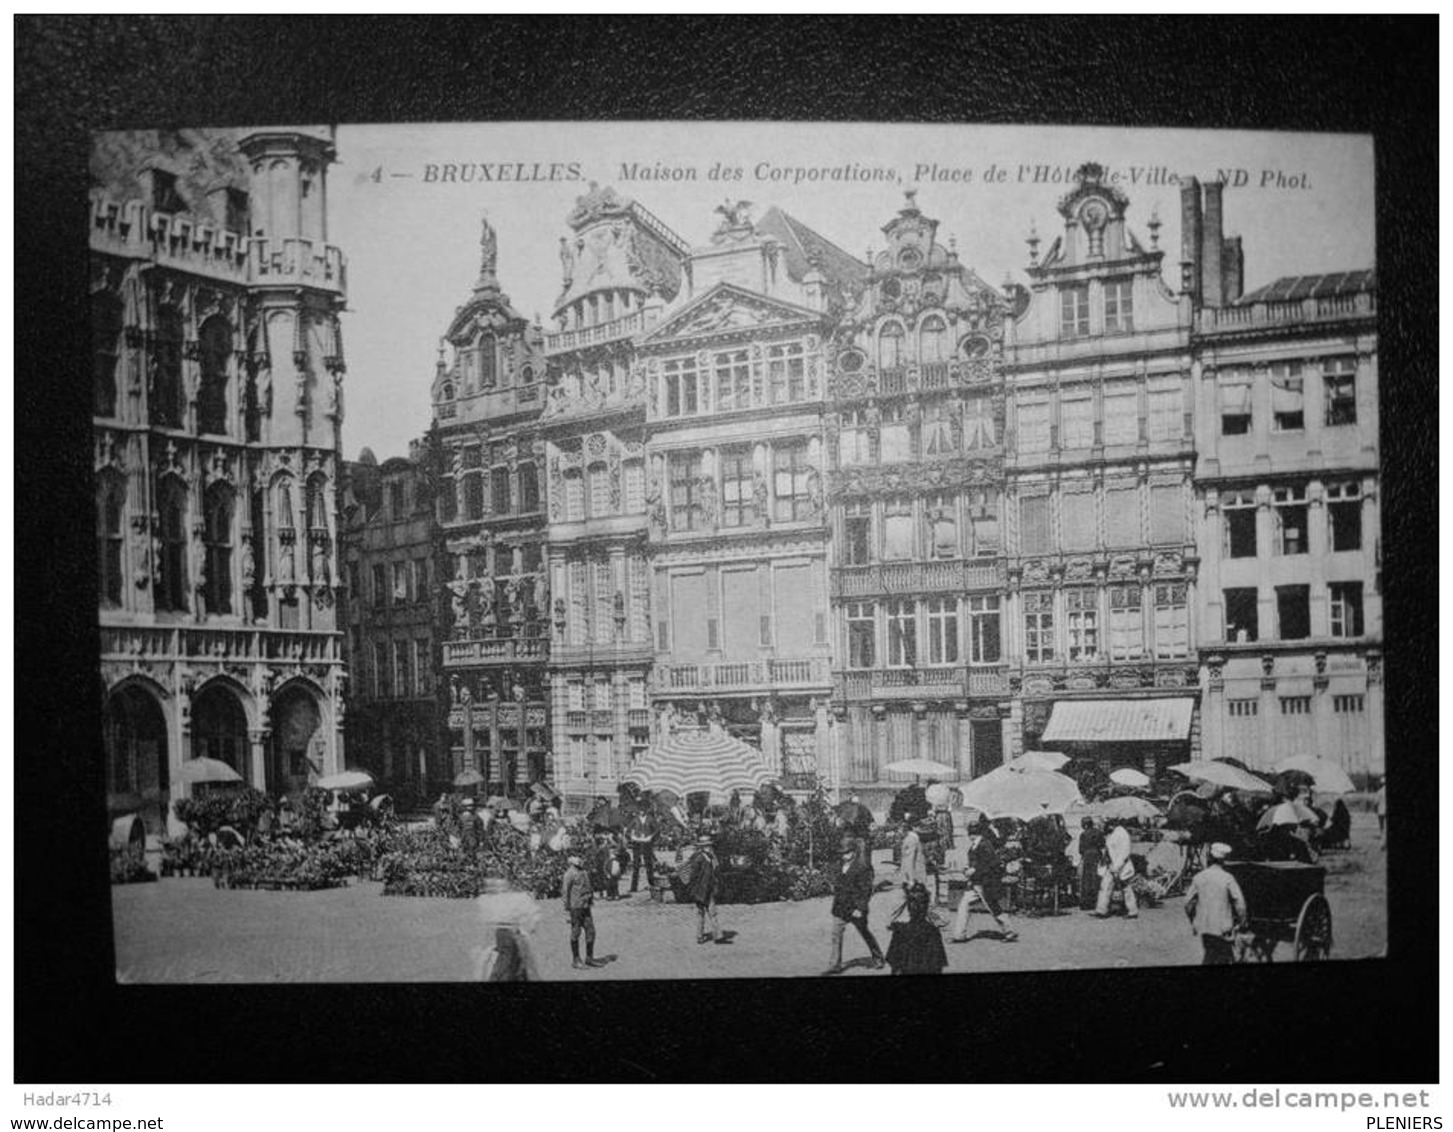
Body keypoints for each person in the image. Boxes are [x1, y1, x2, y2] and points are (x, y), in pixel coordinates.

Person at [950, 817, 1018, 943]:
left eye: (974, 834)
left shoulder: (984, 844)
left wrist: (974, 870)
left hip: (986, 883)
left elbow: (992, 864)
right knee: (967, 905)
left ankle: (1009, 931)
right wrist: (969, 868)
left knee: (993, 907)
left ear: (979, 833)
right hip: (977, 883)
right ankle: (959, 935)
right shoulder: (977, 845)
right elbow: (979, 863)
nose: (972, 836)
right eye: (971, 833)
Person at [825, 838, 884, 974]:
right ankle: (835, 964)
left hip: (855, 908)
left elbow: (866, 890)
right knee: (836, 934)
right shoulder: (839, 865)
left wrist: (860, 908)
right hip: (841, 906)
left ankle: (878, 957)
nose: (843, 856)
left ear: (854, 852)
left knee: (864, 932)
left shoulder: (862, 867)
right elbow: (837, 880)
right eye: (841, 853)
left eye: (846, 853)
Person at [1184, 842, 1247, 965]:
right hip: (1223, 928)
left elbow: (1187, 902)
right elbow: (1240, 903)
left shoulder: (1199, 877)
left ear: (1209, 858)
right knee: (1222, 957)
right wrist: (1241, 922)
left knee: (1210, 954)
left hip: (1205, 927)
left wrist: (1193, 919)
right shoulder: (1228, 878)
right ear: (1224, 861)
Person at [475, 875, 543, 981]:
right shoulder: (490, 899)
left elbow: (533, 915)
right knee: (509, 959)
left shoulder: (515, 898)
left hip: (507, 932)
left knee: (515, 959)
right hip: (503, 933)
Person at [885, 881, 949, 975]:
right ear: (927, 907)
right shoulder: (933, 932)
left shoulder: (900, 932)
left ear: (908, 908)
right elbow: (938, 964)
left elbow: (894, 963)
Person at [676, 834, 725, 944]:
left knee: (712, 913)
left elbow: (715, 871)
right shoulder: (698, 858)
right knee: (701, 913)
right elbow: (693, 875)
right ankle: (700, 935)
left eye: (709, 846)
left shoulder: (711, 857)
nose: (708, 848)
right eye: (706, 846)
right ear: (701, 847)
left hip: (709, 889)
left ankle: (716, 935)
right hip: (700, 889)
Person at [561, 850, 603, 970]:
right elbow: (565, 893)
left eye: (581, 856)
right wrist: (567, 911)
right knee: (576, 932)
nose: (580, 859)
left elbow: (588, 887)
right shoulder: (569, 874)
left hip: (585, 906)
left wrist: (590, 900)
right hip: (576, 908)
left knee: (591, 931)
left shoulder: (583, 871)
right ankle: (576, 959)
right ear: (571, 859)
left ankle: (589, 958)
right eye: (577, 857)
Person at [1095, 820, 1138, 919]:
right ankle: (1101, 910)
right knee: (1105, 886)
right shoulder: (1112, 834)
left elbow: (1125, 852)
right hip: (1111, 864)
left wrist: (1118, 866)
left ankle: (1133, 911)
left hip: (1121, 865)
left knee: (1125, 887)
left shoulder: (1122, 834)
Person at [627, 806, 659, 894]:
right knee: (636, 865)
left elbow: (657, 830)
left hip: (647, 843)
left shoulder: (651, 819)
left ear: (646, 810)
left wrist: (651, 837)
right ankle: (634, 887)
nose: (642, 811)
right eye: (640, 810)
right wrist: (632, 837)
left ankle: (652, 885)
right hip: (637, 843)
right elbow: (628, 831)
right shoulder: (635, 819)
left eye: (643, 810)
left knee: (649, 864)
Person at [1077, 816, 1106, 912]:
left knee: (1086, 880)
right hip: (1097, 856)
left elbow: (1080, 850)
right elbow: (1102, 845)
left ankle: (1086, 903)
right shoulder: (1099, 833)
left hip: (1087, 857)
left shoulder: (1083, 834)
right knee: (1096, 879)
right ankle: (1096, 901)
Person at [898, 821, 930, 892]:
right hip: (915, 877)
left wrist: (911, 879)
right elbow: (910, 859)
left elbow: (910, 859)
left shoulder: (911, 839)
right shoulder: (912, 838)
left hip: (914, 877)